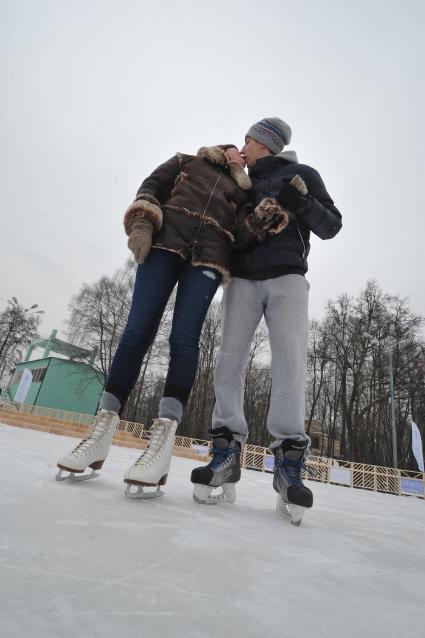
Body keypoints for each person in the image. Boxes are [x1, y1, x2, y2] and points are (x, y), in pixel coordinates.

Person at [57, 143, 261, 496]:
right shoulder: (187, 161)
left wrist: (262, 219)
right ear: (221, 150)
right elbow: (151, 187)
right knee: (138, 329)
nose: (241, 153)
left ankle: (162, 443)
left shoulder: (243, 193)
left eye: (246, 152)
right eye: (235, 148)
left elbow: (243, 237)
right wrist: (142, 224)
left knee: (184, 339)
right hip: (165, 245)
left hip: (208, 261)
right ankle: (101, 431)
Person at [191, 118, 342, 524]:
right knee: (229, 361)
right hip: (241, 277)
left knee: (290, 363)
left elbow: (332, 225)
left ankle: (289, 463)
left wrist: (303, 205)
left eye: (249, 139)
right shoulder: (239, 180)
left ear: (266, 143)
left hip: (288, 277)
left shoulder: (302, 174)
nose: (244, 145)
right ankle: (225, 451)